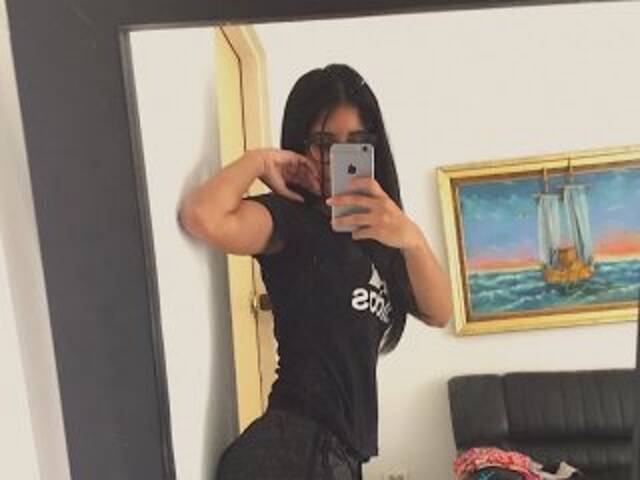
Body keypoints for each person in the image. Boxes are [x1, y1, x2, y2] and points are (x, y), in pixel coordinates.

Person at [178, 64, 453, 480]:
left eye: (357, 143)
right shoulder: (290, 220)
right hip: (292, 450)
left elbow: (439, 312)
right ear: (301, 146)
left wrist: (411, 238)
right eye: (325, 144)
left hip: (334, 457)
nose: (339, 158)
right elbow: (202, 216)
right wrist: (259, 161)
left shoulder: (378, 238)